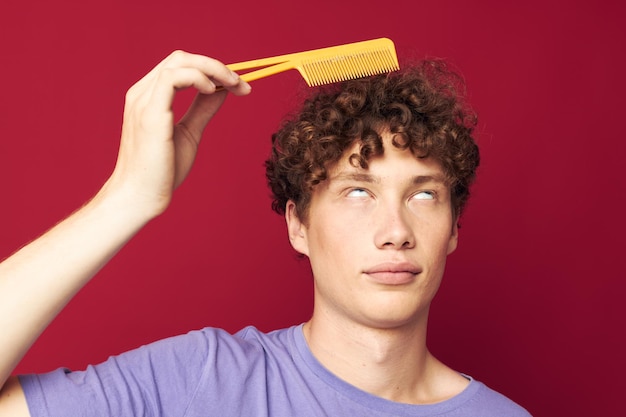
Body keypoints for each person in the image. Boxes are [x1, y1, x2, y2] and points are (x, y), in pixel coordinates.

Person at [0, 50, 531, 416]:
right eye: (357, 192)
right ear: (298, 223)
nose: (395, 232)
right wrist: (126, 200)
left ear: (454, 228)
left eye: (422, 195)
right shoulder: (201, 381)